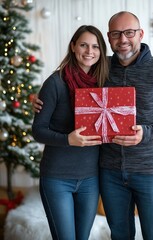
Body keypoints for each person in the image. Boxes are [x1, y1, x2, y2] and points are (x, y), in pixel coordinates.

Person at [33, 11, 153, 240]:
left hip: (150, 170)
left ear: (140, 34)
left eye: (129, 32)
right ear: (109, 37)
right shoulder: (102, 69)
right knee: (120, 234)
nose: (123, 39)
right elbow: (66, 87)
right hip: (110, 171)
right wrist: (35, 98)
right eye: (116, 34)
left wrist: (146, 133)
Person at [32, 25, 109, 240]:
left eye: (95, 46)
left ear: (102, 51)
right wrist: (68, 139)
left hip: (90, 179)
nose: (89, 51)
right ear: (73, 46)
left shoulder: (104, 84)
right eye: (83, 45)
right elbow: (38, 131)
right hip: (57, 178)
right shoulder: (55, 83)